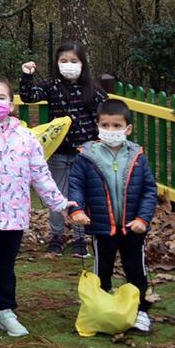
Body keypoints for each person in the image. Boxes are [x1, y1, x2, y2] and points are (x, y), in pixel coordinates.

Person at [0, 78, 75, 340]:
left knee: (6, 266)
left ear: (11, 103)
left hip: (14, 215)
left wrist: (60, 204)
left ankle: (5, 310)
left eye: (2, 97)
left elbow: (40, 174)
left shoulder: (26, 137)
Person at [68, 99, 157, 333]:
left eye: (117, 126)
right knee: (101, 271)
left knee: (136, 270)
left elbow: (149, 189)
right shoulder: (86, 156)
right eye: (105, 125)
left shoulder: (137, 156)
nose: (111, 130)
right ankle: (100, 310)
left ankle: (140, 312)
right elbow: (76, 186)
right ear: (97, 126)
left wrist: (143, 219)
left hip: (132, 227)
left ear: (127, 129)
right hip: (102, 226)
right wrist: (76, 210)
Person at [21, 41, 107, 257]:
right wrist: (27, 75)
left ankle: (80, 237)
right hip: (58, 152)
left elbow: (104, 116)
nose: (69, 65)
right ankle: (57, 236)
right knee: (56, 195)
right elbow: (28, 96)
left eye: (74, 61)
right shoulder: (51, 87)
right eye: (63, 61)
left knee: (80, 196)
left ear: (82, 63)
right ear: (57, 64)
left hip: (84, 153)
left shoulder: (93, 89)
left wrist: (100, 140)